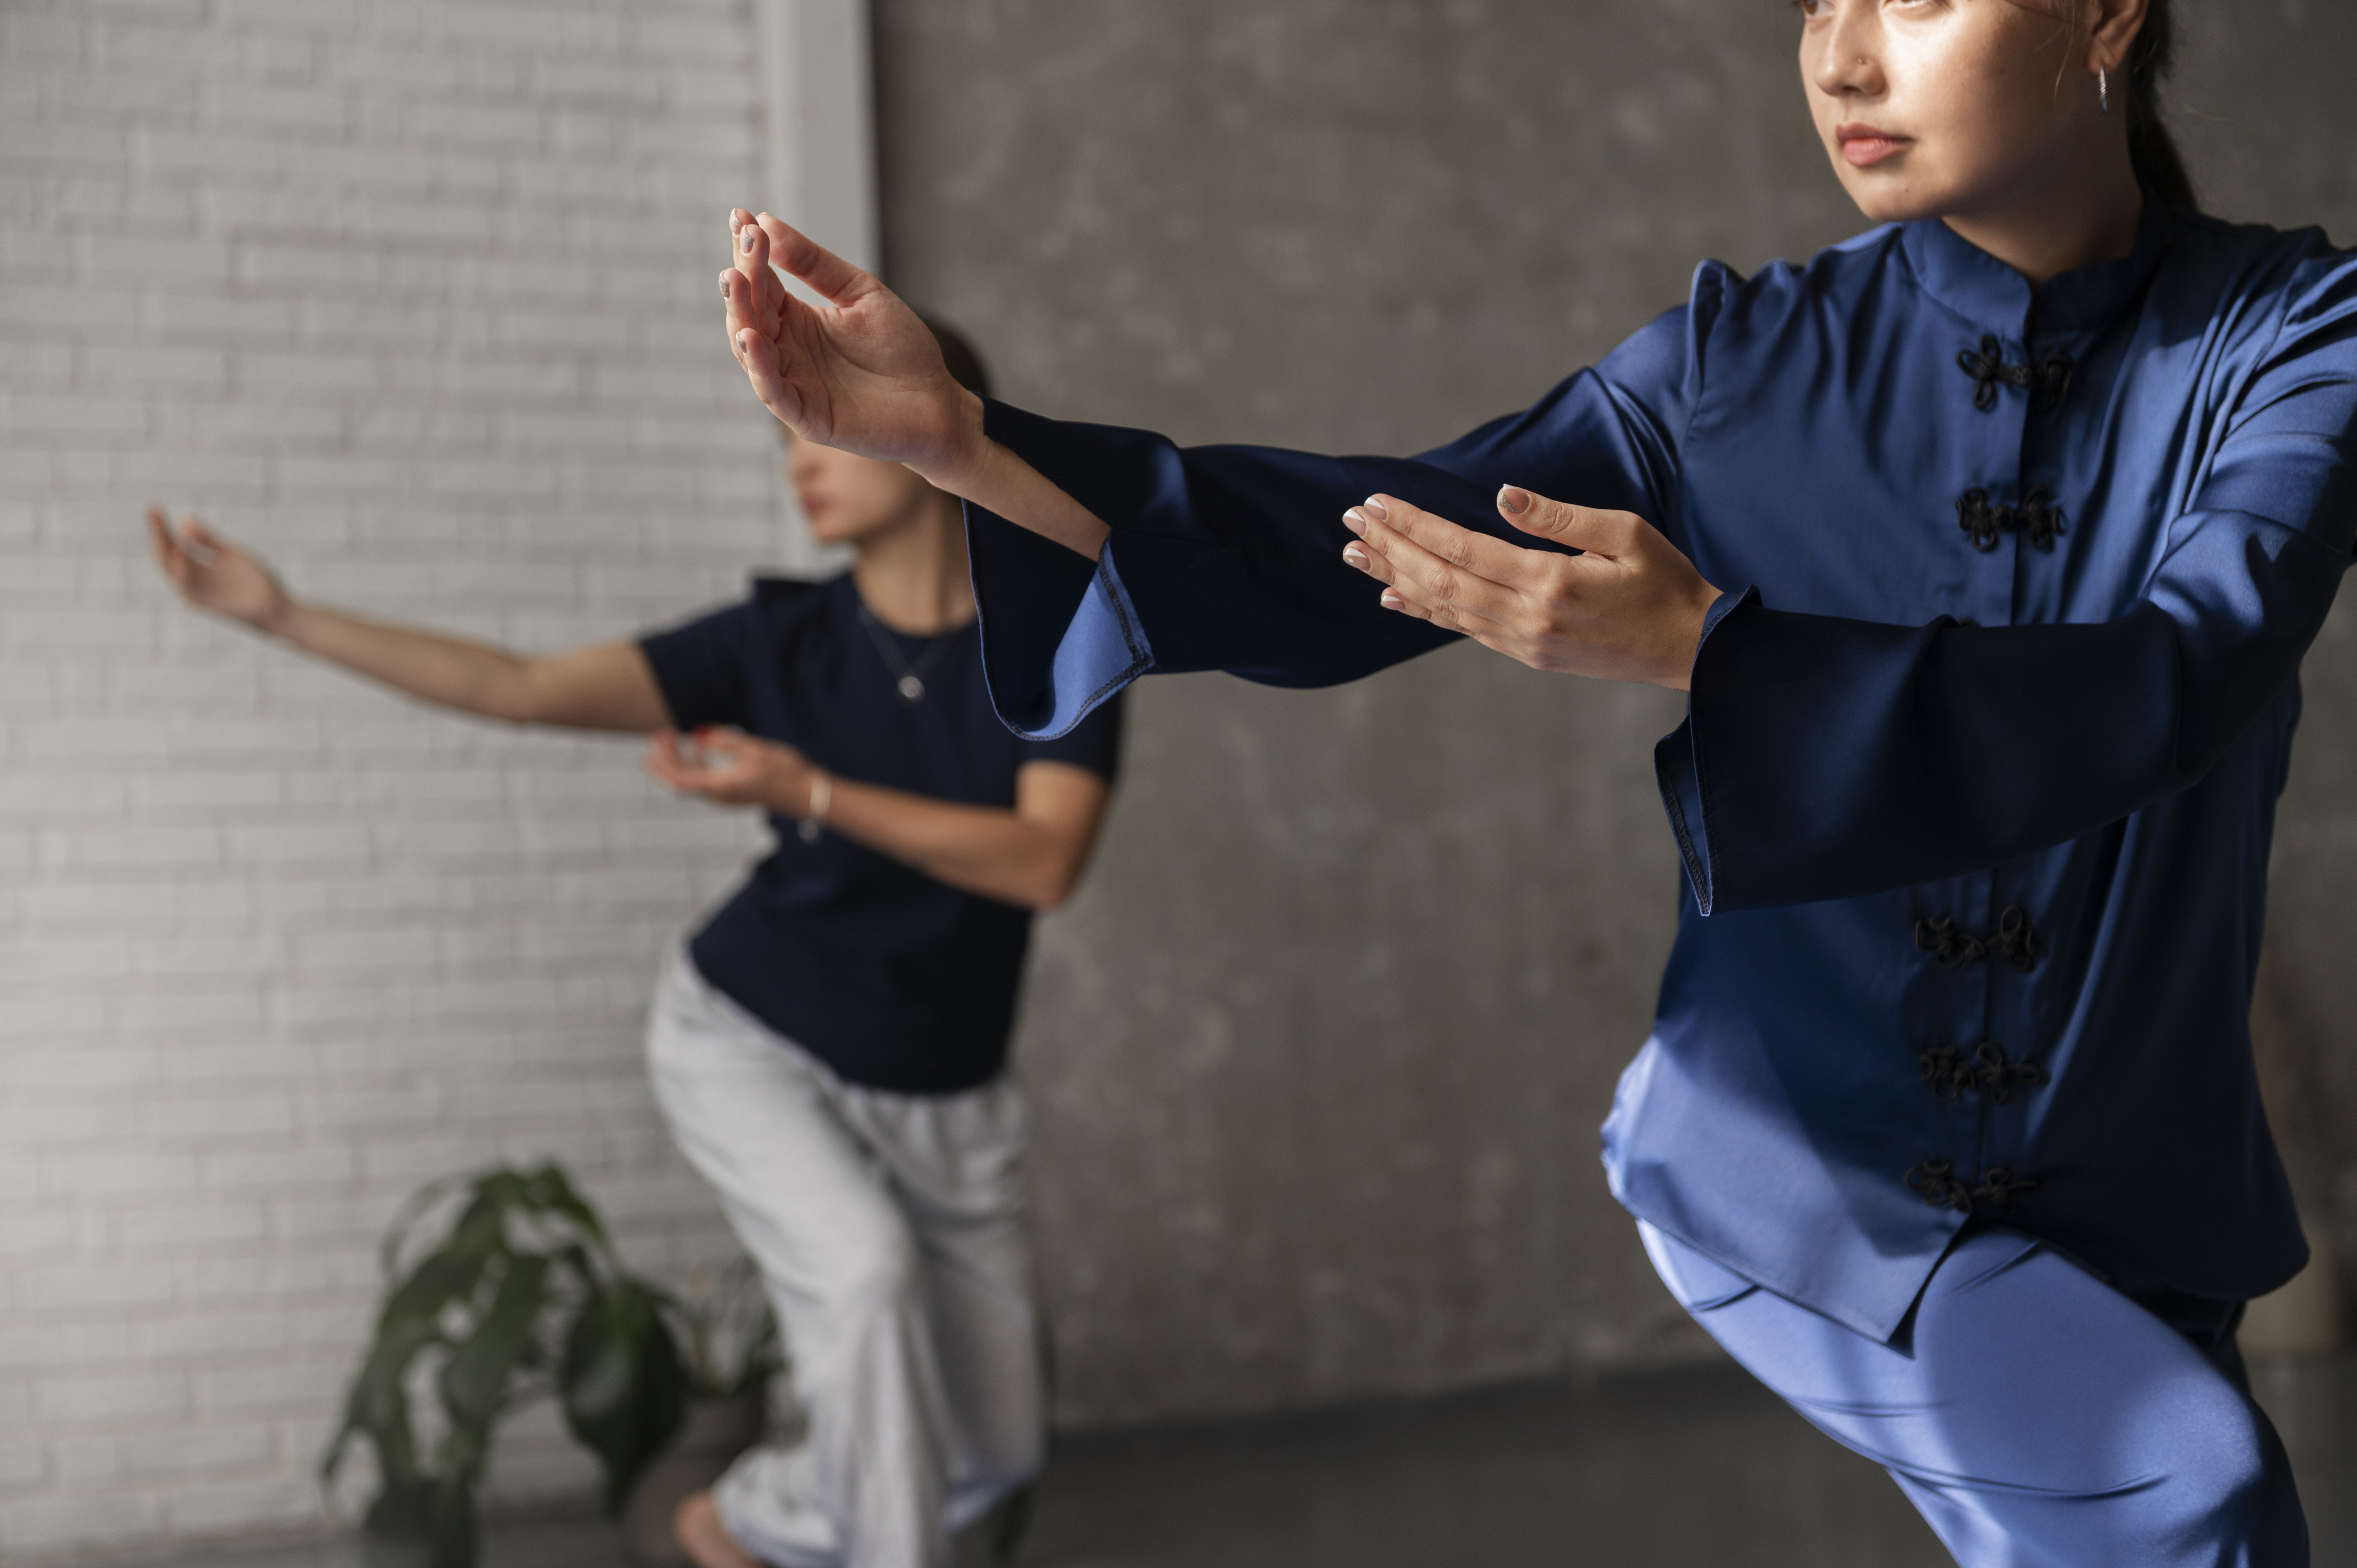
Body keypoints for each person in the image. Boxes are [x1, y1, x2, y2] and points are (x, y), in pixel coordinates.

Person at [709, 0, 2356, 1561]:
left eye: (1915, 1)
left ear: (2109, 15)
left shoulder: (2298, 337)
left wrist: (1713, 648)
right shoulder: (1733, 366)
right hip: (1800, 1170)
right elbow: (1366, 539)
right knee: (2194, 1495)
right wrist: (968, 444)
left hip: (2139, 1192)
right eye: (1812, 4)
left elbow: (2179, 674)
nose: (1843, 62)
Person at [146, 325, 1123, 1568]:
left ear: (938, 417)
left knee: (991, 1446)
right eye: (785, 437)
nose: (797, 460)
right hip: (755, 1039)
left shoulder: (1061, 635)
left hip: (946, 1086)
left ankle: (746, 1520)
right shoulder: (775, 641)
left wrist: (807, 789)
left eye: (821, 426)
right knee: (865, 1279)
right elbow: (524, 688)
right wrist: (283, 614)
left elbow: (1042, 861)